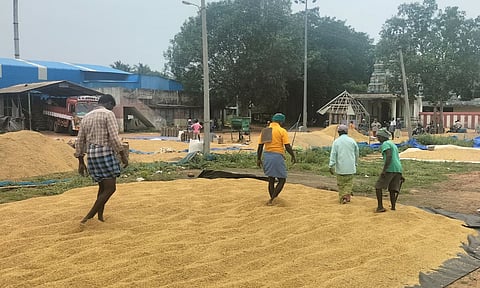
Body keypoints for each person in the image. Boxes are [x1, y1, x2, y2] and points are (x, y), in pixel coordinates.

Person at [74, 94, 129, 224]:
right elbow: (114, 138)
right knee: (111, 188)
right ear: (109, 103)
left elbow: (79, 141)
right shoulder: (108, 114)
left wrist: (81, 161)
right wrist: (122, 155)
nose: (112, 109)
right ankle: (88, 218)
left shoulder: (86, 117)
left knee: (102, 187)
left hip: (91, 154)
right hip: (104, 152)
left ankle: (100, 217)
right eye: (112, 106)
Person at [257, 113, 296, 206]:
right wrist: (293, 155)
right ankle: (272, 199)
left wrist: (258, 158)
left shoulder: (266, 130)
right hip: (277, 156)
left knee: (271, 179)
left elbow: (260, 146)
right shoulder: (282, 131)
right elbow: (287, 146)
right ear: (281, 121)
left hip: (267, 156)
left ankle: (272, 199)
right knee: (282, 179)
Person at [374, 128, 404, 213]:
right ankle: (393, 207)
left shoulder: (385, 144)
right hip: (398, 168)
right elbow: (396, 158)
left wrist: (384, 170)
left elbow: (389, 156)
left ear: (383, 137)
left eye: (378, 137)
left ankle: (380, 207)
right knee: (392, 189)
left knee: (378, 187)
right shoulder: (392, 144)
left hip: (390, 168)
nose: (378, 139)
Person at [329, 124, 359, 204]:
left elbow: (333, 154)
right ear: (347, 132)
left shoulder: (336, 142)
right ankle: (346, 197)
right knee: (349, 184)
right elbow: (356, 153)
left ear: (338, 132)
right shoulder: (352, 141)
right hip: (350, 168)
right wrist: (356, 163)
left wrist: (331, 165)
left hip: (340, 168)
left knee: (341, 184)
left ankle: (343, 198)